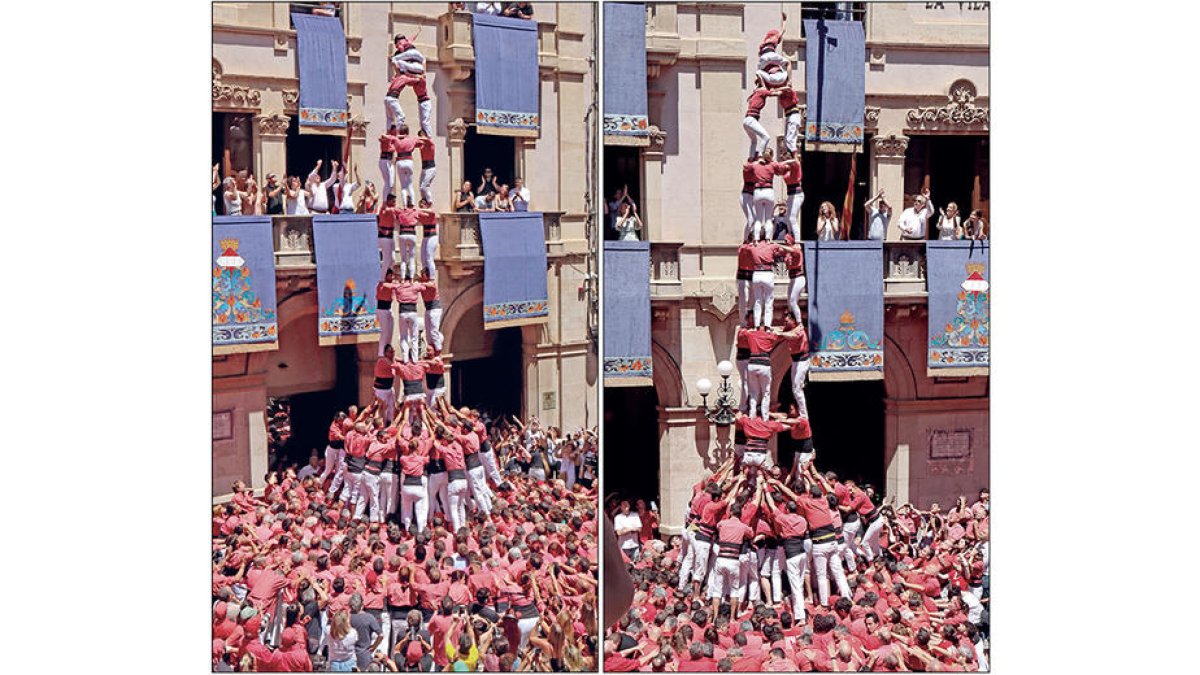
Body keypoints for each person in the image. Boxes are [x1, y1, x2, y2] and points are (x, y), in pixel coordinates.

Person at [743, 148, 786, 241]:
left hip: (757, 191)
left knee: (758, 218)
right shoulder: (772, 164)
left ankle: (756, 239)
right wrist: (773, 161)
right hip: (768, 191)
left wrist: (755, 161)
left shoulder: (756, 164)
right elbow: (782, 169)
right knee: (768, 218)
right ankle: (767, 239)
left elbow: (745, 166)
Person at [392, 125, 420, 209]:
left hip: (400, 161)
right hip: (409, 161)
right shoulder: (412, 139)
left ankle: (404, 205)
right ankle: (413, 205)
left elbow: (389, 139)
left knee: (403, 186)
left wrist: (398, 136)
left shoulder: (396, 139)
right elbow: (420, 142)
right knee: (410, 185)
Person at [376, 270, 401, 357]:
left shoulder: (392, 284)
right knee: (385, 332)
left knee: (390, 332)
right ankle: (381, 353)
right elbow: (394, 286)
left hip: (389, 309)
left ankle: (387, 351)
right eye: (391, 275)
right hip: (382, 310)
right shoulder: (382, 284)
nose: (392, 277)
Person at [378, 194, 402, 279]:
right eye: (393, 201)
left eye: (395, 201)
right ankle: (381, 278)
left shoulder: (393, 210)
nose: (395, 203)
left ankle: (389, 275)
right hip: (384, 237)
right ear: (388, 201)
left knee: (393, 259)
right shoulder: (385, 209)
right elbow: (392, 210)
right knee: (386, 259)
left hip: (390, 237)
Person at [418, 271, 443, 354]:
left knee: (434, 331)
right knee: (428, 333)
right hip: (428, 309)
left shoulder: (431, 283)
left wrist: (420, 283)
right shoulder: (422, 285)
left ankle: (438, 350)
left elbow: (431, 285)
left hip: (435, 309)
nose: (421, 277)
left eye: (423, 275)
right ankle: (431, 349)